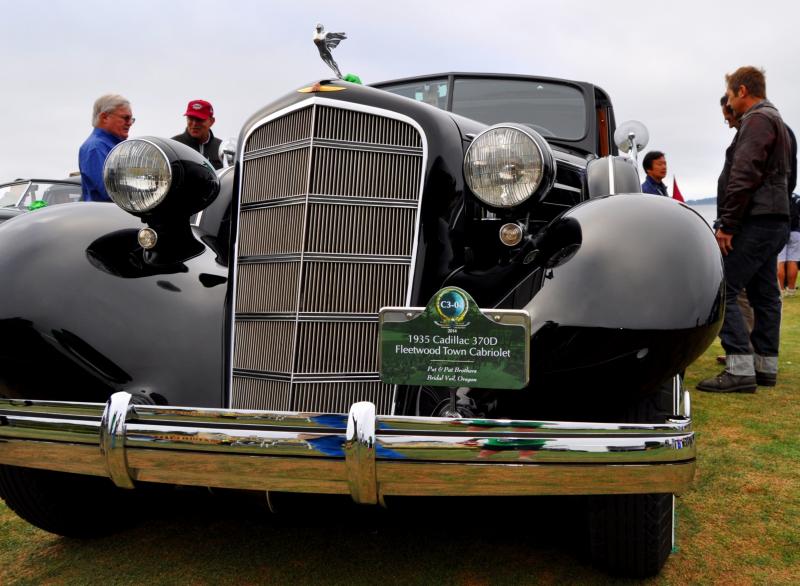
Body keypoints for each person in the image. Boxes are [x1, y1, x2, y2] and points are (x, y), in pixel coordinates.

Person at [698, 66, 792, 393]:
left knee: (721, 287)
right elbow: (785, 178)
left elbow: (744, 174)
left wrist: (727, 223)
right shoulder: (779, 122)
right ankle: (765, 366)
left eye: (730, 95)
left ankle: (739, 367)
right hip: (776, 219)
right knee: (765, 294)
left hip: (755, 221)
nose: (729, 106)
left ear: (741, 91)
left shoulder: (756, 120)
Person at [78, 94, 134, 202]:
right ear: (104, 117)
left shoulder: (113, 146)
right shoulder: (95, 148)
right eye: (125, 118)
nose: (130, 123)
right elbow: (111, 191)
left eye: (131, 119)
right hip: (107, 216)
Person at [172, 99, 223, 170]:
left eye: (199, 119)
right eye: (190, 118)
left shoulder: (222, 148)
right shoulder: (173, 145)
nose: (194, 123)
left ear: (212, 121)